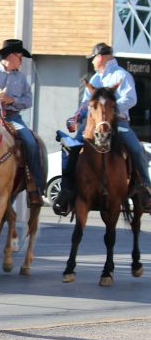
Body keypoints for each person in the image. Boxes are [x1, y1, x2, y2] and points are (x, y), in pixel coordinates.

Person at [52, 42, 151, 215]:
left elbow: (131, 99)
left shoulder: (121, 75)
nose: (91, 63)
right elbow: (86, 103)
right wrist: (76, 117)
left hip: (118, 123)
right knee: (71, 147)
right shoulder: (95, 79)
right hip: (93, 124)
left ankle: (146, 188)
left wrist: (108, 109)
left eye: (93, 59)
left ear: (102, 57)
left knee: (136, 149)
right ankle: (67, 190)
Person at [0, 39, 44, 207]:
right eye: (20, 56)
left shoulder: (21, 78)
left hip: (12, 117)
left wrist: (11, 100)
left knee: (30, 142)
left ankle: (34, 187)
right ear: (10, 56)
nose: (22, 60)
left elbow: (28, 100)